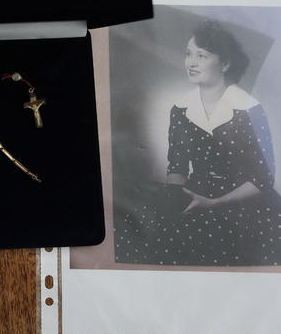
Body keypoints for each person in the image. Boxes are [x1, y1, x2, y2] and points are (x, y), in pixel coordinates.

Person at [116, 20, 281, 266]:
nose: (191, 63)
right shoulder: (180, 109)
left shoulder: (249, 109)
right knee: (140, 231)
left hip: (244, 200)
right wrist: (175, 200)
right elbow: (178, 167)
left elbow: (263, 178)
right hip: (197, 191)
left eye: (201, 56)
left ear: (225, 64)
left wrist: (214, 203)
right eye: (188, 54)